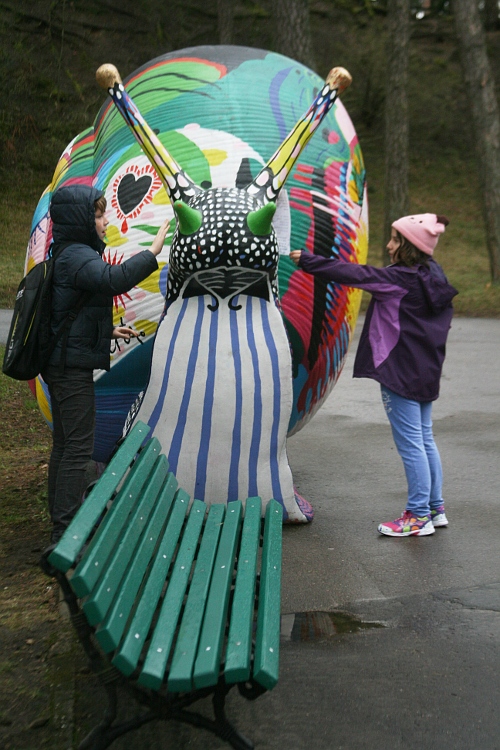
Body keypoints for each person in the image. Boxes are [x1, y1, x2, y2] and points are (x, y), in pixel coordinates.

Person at [290, 213, 458, 537]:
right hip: (424, 372)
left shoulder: (398, 281)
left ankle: (418, 516)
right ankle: (435, 509)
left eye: (395, 240)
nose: (389, 245)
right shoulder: (433, 276)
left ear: (410, 246)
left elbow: (354, 274)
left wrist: (309, 261)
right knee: (424, 439)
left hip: (399, 374)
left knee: (412, 444)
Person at [42, 184, 169, 544]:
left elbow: (67, 312)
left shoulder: (67, 253)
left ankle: (60, 520)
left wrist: (108, 331)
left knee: (65, 445)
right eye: (98, 215)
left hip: (61, 363)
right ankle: (65, 533)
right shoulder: (78, 256)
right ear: (81, 220)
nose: (105, 222)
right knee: (77, 448)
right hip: (70, 369)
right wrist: (152, 252)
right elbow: (114, 280)